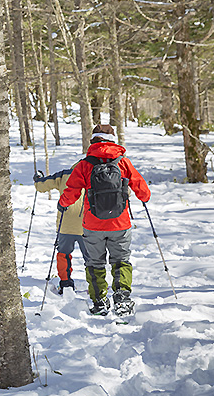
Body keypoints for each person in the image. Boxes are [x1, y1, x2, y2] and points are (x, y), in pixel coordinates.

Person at [58, 124, 151, 316]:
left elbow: (71, 191)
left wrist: (62, 203)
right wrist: (143, 197)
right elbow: (143, 191)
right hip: (120, 223)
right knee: (121, 260)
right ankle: (122, 298)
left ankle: (99, 301)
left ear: (94, 140)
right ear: (112, 140)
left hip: (93, 224)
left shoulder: (85, 164)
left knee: (94, 263)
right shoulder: (123, 162)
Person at [34, 165, 88, 294]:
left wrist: (38, 179)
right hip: (88, 224)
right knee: (91, 257)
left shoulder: (64, 175)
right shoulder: (93, 173)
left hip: (65, 224)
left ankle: (65, 284)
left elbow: (41, 186)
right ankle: (95, 285)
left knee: (63, 254)